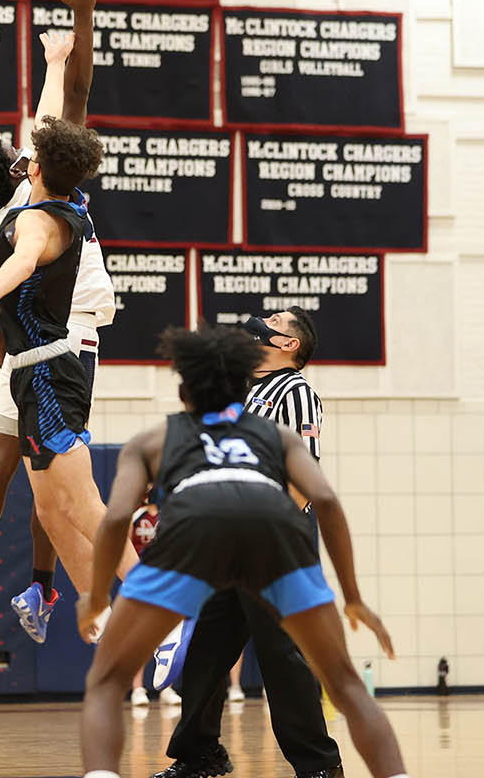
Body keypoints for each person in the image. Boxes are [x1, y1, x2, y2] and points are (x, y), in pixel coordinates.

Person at [77, 325, 409, 778]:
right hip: (272, 534)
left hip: (203, 533)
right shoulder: (271, 433)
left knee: (106, 681)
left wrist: (97, 597)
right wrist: (351, 595)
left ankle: (315, 764)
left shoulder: (156, 438)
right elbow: (328, 499)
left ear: (183, 388)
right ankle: (200, 754)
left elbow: (115, 519)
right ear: (240, 383)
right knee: (339, 681)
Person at [0, 0, 115, 643]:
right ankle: (123, 599)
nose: (27, 150)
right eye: (18, 153)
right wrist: (82, 16)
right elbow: (65, 104)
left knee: (28, 474)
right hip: (67, 338)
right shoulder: (43, 203)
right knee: (71, 495)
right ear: (21, 169)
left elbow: (53, 105)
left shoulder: (2, 218)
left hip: (21, 353)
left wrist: (52, 57)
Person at [0, 114, 138, 635]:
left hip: (55, 362)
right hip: (32, 368)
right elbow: (50, 118)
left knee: (81, 503)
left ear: (33, 169)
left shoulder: (34, 220)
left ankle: (164, 611)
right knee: (52, 508)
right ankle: (102, 613)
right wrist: (57, 64)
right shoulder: (49, 203)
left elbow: (21, 262)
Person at [158, 308, 343, 778]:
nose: (261, 321)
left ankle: (319, 766)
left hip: (275, 546)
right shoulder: (240, 394)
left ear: (289, 345)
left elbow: (306, 474)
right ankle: (199, 756)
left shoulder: (296, 391)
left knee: (284, 658)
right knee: (204, 651)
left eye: (275, 320)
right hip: (229, 545)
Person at [128, 498, 180, 709]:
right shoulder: (135, 515)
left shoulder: (169, 513)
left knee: (167, 634)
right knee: (140, 634)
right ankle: (138, 688)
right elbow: (123, 545)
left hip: (166, 580)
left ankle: (166, 688)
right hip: (141, 580)